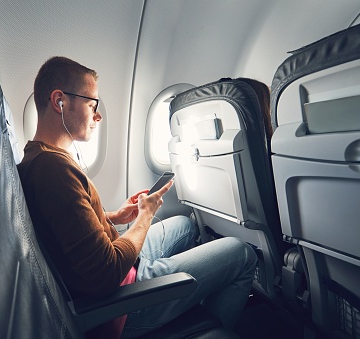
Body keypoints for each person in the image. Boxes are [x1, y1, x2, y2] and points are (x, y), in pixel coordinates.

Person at [17, 56, 258, 338]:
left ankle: (186, 300)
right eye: (92, 104)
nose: (98, 116)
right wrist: (145, 216)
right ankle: (206, 331)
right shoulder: (54, 168)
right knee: (241, 253)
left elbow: (63, 222)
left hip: (120, 269)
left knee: (184, 225)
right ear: (60, 101)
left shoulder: (39, 156)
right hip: (120, 304)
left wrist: (112, 217)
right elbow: (106, 274)